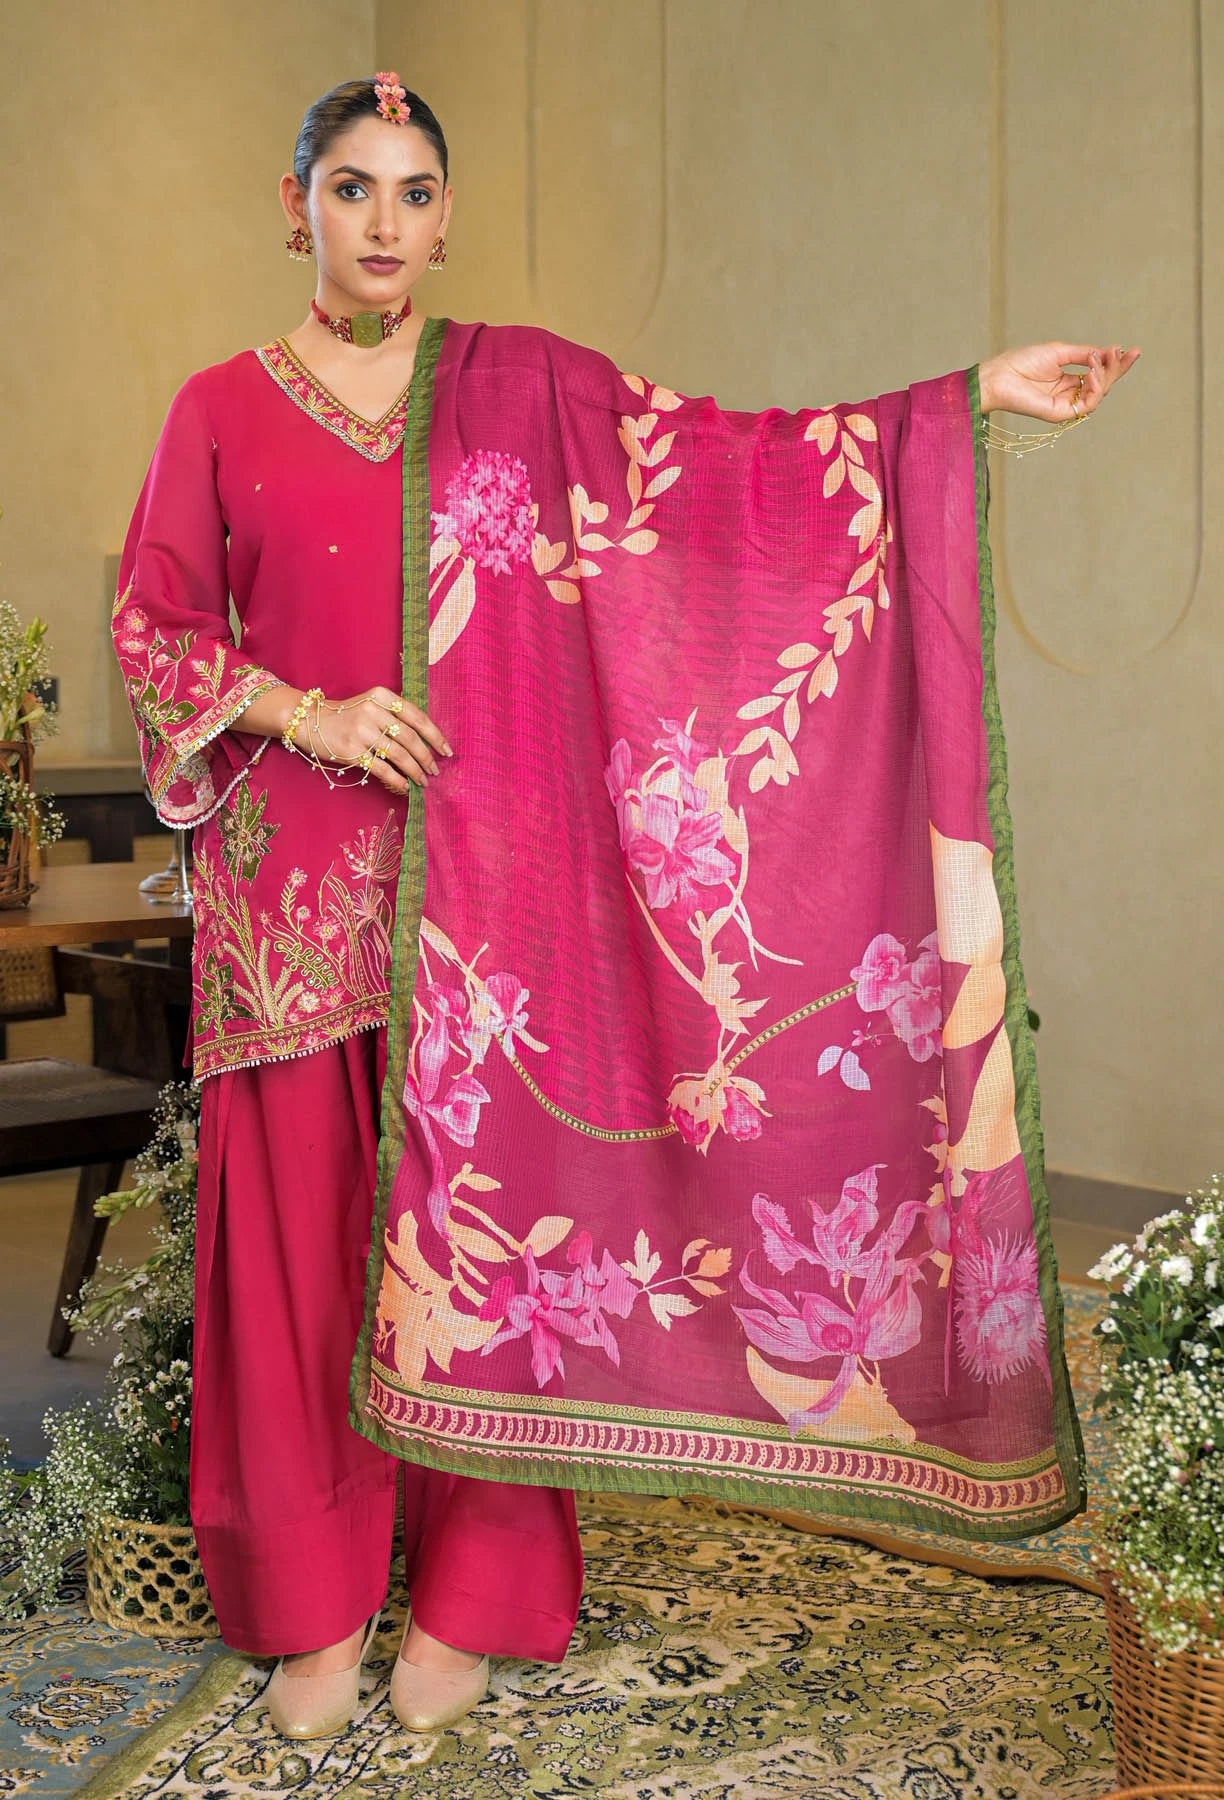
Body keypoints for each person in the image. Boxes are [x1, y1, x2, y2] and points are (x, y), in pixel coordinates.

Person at [111, 72, 1138, 1742]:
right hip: (293, 900)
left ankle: (469, 1594)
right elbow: (157, 628)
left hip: (493, 900)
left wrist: (961, 405)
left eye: (416, 193)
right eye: (353, 189)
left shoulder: (516, 389)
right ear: (290, 204)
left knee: (501, 1248)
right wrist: (310, 712)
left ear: (445, 217)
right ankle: (311, 1610)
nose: (385, 225)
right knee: (305, 1257)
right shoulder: (216, 406)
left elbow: (723, 469)